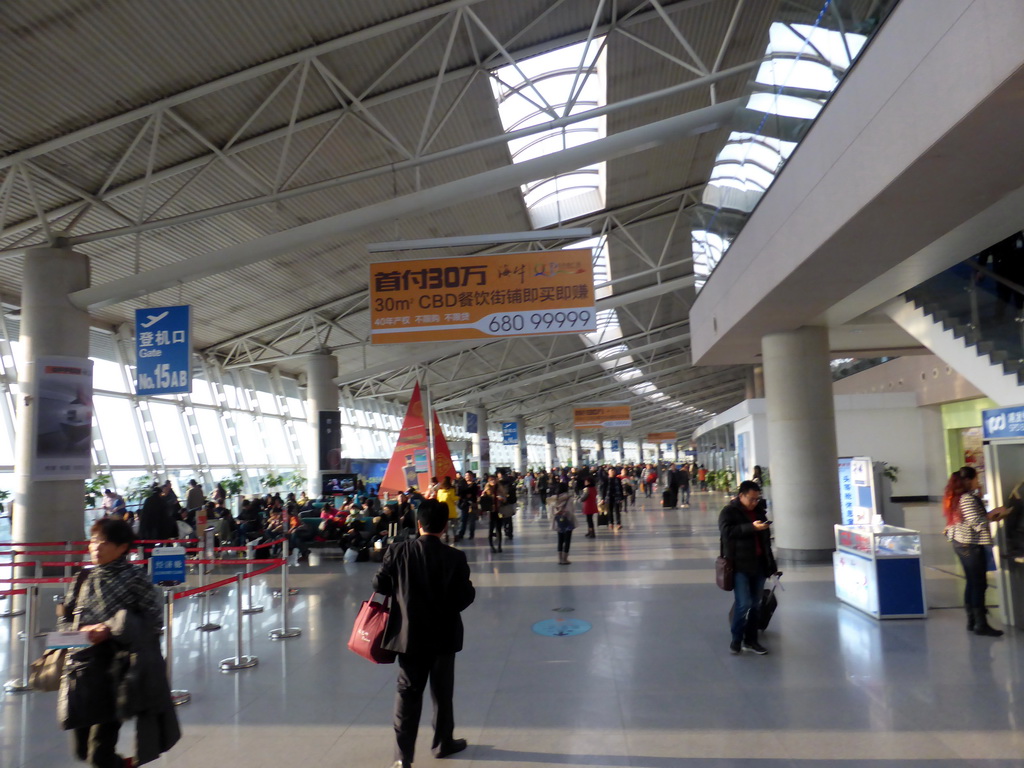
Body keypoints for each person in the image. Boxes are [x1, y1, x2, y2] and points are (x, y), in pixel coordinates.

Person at [58, 518, 180, 767]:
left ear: (123, 547)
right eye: (93, 541)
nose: (96, 547)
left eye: (103, 542)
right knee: (81, 750)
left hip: (116, 672)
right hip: (81, 671)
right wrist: (80, 631)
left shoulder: (135, 577)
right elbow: (64, 622)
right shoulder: (83, 577)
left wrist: (110, 629)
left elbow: (153, 622)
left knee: (99, 753)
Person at [372, 500, 476, 768]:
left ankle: (402, 757)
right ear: (444, 526)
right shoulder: (455, 557)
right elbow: (465, 597)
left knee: (407, 694)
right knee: (442, 693)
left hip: (409, 638)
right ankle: (443, 743)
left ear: (419, 523)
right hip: (444, 637)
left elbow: (379, 585)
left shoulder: (397, 551)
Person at [943, 466, 1008, 636]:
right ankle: (980, 623)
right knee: (978, 583)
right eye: (976, 479)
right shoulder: (967, 498)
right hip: (969, 545)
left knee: (973, 582)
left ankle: (973, 621)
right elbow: (976, 522)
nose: (978, 482)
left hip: (962, 544)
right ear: (968, 480)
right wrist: (995, 515)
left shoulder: (958, 497)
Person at [719, 481, 776, 655]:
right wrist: (751, 527)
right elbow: (727, 532)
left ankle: (751, 640)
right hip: (739, 565)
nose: (754, 502)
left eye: (757, 499)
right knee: (744, 604)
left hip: (758, 564)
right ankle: (736, 639)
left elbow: (765, 542)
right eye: (751, 499)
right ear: (741, 495)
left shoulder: (759, 511)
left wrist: (771, 565)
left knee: (757, 604)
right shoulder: (729, 512)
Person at [551, 486, 577, 565]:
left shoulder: (555, 499)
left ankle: (560, 559)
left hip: (558, 521)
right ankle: (565, 559)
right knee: (567, 540)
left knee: (560, 540)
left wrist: (557, 513)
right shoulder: (568, 498)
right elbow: (571, 510)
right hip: (567, 521)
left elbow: (551, 510)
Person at [435, 476, 459, 544]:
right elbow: (453, 498)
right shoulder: (451, 490)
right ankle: (455, 536)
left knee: (445, 525)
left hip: (443, 511)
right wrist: (458, 497)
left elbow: (438, 499)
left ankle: (446, 536)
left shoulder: (439, 491)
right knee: (454, 524)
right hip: (451, 510)